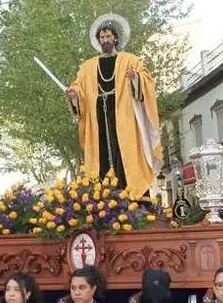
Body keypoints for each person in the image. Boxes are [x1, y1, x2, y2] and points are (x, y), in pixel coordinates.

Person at [65, 13, 163, 199]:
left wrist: (135, 78)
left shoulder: (130, 60)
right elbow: (78, 87)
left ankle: (133, 196)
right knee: (101, 154)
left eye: (108, 36)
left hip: (124, 115)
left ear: (115, 38)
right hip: (98, 117)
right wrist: (74, 95)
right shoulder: (87, 67)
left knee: (126, 152)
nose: (105, 40)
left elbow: (146, 79)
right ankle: (103, 200)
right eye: (102, 37)